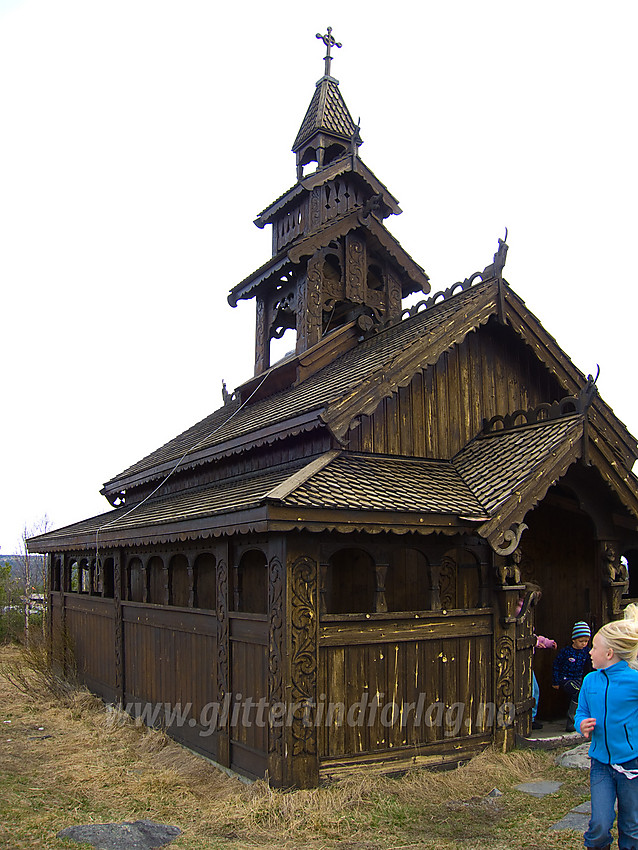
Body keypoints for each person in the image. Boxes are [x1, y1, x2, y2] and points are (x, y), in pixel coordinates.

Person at [575, 603, 638, 850]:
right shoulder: (590, 681)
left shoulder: (634, 681)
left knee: (631, 826)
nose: (590, 652)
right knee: (600, 824)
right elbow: (582, 711)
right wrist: (582, 723)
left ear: (609, 653)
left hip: (631, 765)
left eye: (594, 647)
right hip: (600, 764)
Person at [516, 583, 556, 730]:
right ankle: (529, 719)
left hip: (525, 658)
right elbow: (526, 635)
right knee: (532, 690)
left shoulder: (524, 611)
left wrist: (545, 642)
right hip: (521, 659)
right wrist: (537, 641)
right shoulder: (520, 611)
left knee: (532, 689)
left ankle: (529, 718)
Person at [552, 621, 592, 731]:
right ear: (574, 639)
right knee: (577, 692)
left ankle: (582, 720)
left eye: (586, 641)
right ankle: (571, 722)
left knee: (582, 693)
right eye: (581, 641)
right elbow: (556, 665)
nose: (583, 644)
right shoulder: (566, 652)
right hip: (565, 679)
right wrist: (555, 681)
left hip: (578, 678)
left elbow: (592, 665)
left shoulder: (587, 652)